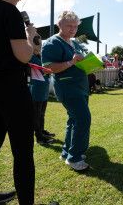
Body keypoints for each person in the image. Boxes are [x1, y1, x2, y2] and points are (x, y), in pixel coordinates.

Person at [0, 0, 36, 204]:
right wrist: (30, 37)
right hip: (11, 90)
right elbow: (23, 55)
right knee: (22, 153)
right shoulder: (10, 12)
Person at [42, 11, 91, 171]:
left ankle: (67, 152)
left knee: (73, 120)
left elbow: (79, 61)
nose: (73, 29)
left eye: (75, 26)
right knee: (83, 119)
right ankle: (74, 157)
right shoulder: (52, 43)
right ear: (59, 25)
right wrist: (71, 62)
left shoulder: (74, 42)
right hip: (67, 87)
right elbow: (48, 67)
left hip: (80, 86)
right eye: (69, 25)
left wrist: (90, 63)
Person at [29, 34, 55, 145]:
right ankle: (39, 137)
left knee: (42, 114)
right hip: (36, 90)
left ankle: (42, 131)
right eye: (37, 43)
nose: (39, 46)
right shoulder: (29, 56)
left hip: (43, 89)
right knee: (36, 114)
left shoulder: (40, 56)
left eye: (40, 43)